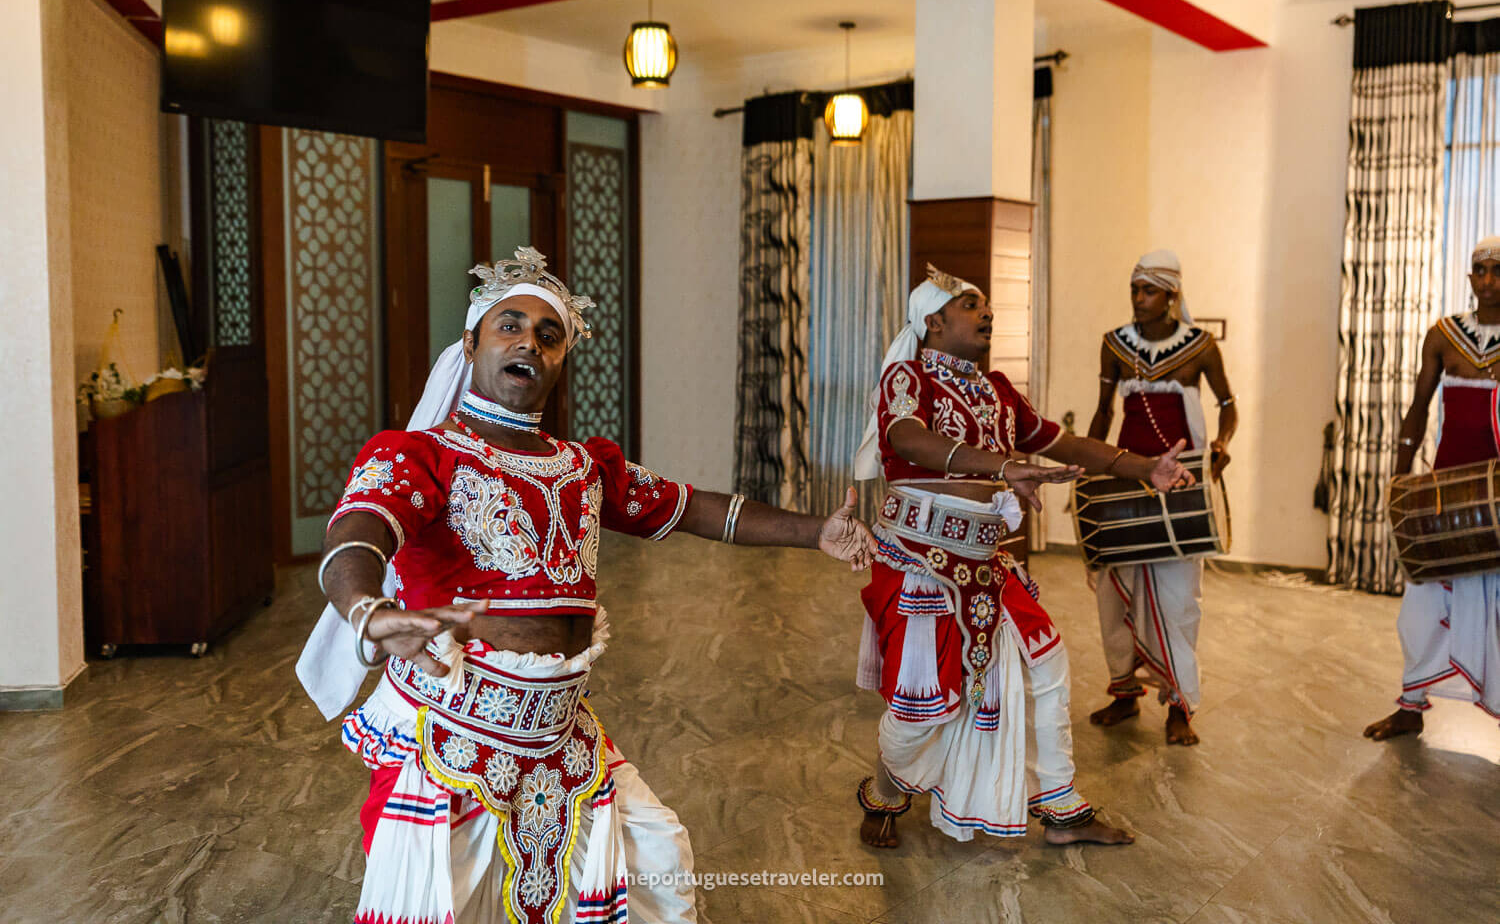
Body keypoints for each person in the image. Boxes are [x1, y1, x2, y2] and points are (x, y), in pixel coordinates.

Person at [296, 247, 876, 924]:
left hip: (562, 733)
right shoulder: (422, 455)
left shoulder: (584, 466)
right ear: (471, 342)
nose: (529, 344)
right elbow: (360, 531)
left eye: (549, 335)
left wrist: (815, 533)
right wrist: (369, 612)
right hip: (454, 733)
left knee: (654, 864)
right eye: (508, 326)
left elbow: (694, 507)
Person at [851, 264, 1192, 850]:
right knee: (920, 706)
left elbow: (1065, 443)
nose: (988, 313)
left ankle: (1061, 809)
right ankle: (884, 792)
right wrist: (1004, 468)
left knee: (1046, 667)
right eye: (971, 306)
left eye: (988, 305)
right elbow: (906, 439)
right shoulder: (908, 377)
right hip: (920, 561)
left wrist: (1143, 468)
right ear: (933, 322)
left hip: (985, 561)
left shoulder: (998, 390)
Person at [1085, 250, 1236, 746]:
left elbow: (1229, 406)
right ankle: (1125, 693)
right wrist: (1089, 466)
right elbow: (1104, 412)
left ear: (1172, 296)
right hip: (1125, 479)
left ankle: (1178, 704)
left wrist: (1220, 445)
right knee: (1114, 593)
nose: (1138, 299)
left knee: (1177, 600)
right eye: (1134, 289)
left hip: (1181, 485)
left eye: (1148, 290)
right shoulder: (1114, 344)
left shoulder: (1200, 347)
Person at [1364, 237, 1500, 740]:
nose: (1488, 280)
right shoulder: (1443, 335)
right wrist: (1400, 477)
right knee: (1422, 600)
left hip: (1496, 495)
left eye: (1497, 271)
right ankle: (1410, 706)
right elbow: (1419, 408)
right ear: (1469, 278)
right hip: (1444, 490)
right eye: (1479, 270)